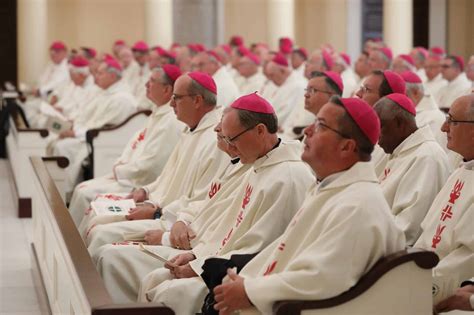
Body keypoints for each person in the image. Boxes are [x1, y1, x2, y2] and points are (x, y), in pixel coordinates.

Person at [208, 97, 406, 315]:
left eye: (320, 125)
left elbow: (322, 278)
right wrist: (243, 282)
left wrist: (249, 290)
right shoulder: (331, 188)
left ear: (346, 147)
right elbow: (285, 250)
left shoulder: (358, 205)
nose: (308, 131)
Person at [135, 94, 314, 312]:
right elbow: (225, 229)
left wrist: (201, 267)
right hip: (215, 260)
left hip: (242, 278)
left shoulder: (288, 178)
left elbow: (260, 251)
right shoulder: (258, 164)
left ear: (259, 130)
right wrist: (195, 256)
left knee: (167, 292)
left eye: (232, 140)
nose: (229, 148)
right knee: (155, 279)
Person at [86, 72, 229, 252]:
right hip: (159, 210)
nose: (171, 103)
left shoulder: (214, 140)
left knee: (100, 232)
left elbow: (202, 199)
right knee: (97, 215)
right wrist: (146, 191)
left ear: (197, 101)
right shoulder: (193, 129)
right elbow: (167, 176)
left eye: (176, 98)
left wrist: (157, 212)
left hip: (173, 222)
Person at [69, 65, 184, 227]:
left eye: (152, 81)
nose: (146, 85)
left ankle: (75, 245)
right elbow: (136, 143)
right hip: (129, 176)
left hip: (139, 183)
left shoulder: (170, 120)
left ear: (167, 89)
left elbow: (153, 165)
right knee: (81, 189)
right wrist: (121, 165)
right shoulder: (158, 112)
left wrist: (121, 170)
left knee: (84, 193)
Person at [414, 94, 473, 308]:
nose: (443, 128)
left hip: (449, 295)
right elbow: (427, 233)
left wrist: (419, 288)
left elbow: (466, 259)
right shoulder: (461, 170)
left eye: (452, 121)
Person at [49, 58, 137, 194]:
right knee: (57, 141)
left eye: (100, 73)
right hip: (90, 136)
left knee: (63, 147)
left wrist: (75, 133)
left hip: (104, 143)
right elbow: (89, 118)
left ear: (112, 76)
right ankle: (56, 190)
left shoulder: (122, 100)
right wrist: (73, 128)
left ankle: (64, 193)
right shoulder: (105, 93)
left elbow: (104, 129)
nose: (96, 76)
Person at [374, 93, 450, 245]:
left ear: (399, 123)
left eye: (380, 127)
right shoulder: (400, 151)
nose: (377, 137)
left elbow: (408, 229)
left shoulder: (426, 158)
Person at [401, 70, 447, 149]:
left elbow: (433, 151)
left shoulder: (434, 118)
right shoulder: (406, 112)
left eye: (403, 95)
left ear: (415, 92)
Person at [265, 53, 306, 127]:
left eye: (272, 75)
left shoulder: (297, 86)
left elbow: (285, 114)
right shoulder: (283, 83)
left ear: (282, 71)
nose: (271, 80)